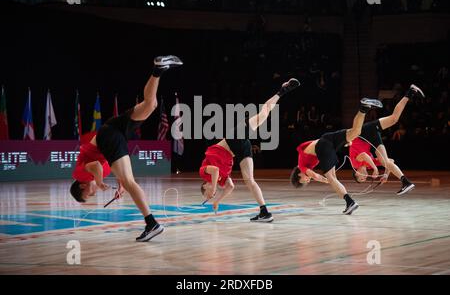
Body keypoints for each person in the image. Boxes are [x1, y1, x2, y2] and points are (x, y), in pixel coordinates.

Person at [70, 55, 183, 242]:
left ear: (82, 186)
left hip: (107, 137)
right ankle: (158, 70)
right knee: (151, 104)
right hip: (113, 129)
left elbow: (96, 166)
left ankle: (151, 223)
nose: (93, 193)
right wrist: (121, 183)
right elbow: (110, 166)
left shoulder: (80, 175)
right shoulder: (87, 175)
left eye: (88, 194)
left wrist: (99, 182)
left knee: (131, 182)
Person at [200, 78, 301, 222]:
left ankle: (282, 90)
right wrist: (217, 201)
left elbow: (215, 170)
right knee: (250, 180)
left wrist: (215, 189)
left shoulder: (203, 172)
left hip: (233, 138)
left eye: (208, 195)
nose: (210, 196)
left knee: (263, 115)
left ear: (205, 186)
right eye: (209, 197)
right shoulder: (221, 182)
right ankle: (264, 212)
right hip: (240, 150)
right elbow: (230, 187)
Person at [290, 98, 383, 215]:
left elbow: (315, 175)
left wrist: (325, 180)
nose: (307, 180)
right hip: (327, 139)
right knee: (355, 132)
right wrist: (342, 142)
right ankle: (363, 108)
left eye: (304, 180)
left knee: (331, 178)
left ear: (299, 174)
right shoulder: (304, 157)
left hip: (322, 145)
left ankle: (350, 202)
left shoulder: (302, 166)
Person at [350, 84, 425, 195]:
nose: (365, 177)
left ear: (356, 173)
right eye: (365, 180)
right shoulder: (368, 165)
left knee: (355, 129)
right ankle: (411, 91)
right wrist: (385, 174)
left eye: (361, 178)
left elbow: (364, 156)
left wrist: (375, 169)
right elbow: (391, 161)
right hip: (372, 139)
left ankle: (364, 107)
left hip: (363, 134)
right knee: (394, 119)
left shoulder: (355, 164)